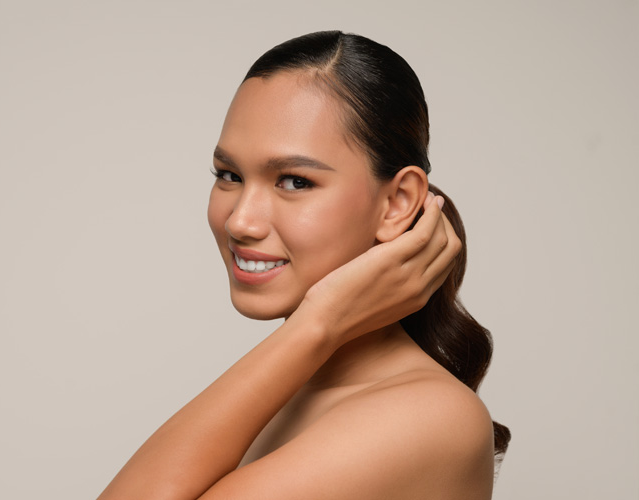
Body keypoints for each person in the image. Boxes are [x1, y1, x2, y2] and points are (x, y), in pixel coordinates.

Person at [99, 30, 510, 499]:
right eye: (229, 175)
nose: (240, 221)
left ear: (397, 202)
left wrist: (320, 322)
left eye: (294, 181)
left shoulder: (430, 415)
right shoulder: (284, 393)